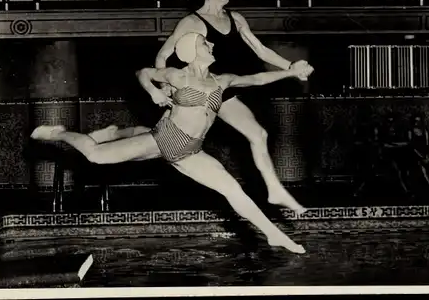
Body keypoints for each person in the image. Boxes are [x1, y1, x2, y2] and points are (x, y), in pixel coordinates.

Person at [31, 32, 314, 254]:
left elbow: (258, 79)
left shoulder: (221, 80)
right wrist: (153, 92)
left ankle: (273, 234)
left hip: (191, 152)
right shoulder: (178, 76)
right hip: (163, 139)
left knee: (232, 190)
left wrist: (290, 71)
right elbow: (143, 73)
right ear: (192, 52)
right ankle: (58, 133)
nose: (211, 45)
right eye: (205, 43)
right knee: (94, 155)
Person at [154, 0, 310, 213]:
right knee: (166, 144)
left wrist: (291, 67)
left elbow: (261, 51)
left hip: (223, 92)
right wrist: (163, 88)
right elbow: (163, 55)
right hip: (199, 94)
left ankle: (274, 190)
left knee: (258, 135)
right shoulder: (193, 22)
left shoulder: (235, 18)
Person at [407, 114, 429, 193]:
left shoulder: (425, 130)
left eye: (419, 120)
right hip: (415, 154)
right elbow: (412, 146)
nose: (417, 122)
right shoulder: (410, 131)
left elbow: (428, 144)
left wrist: (427, 154)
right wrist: (420, 155)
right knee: (423, 169)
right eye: (416, 120)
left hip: (425, 152)